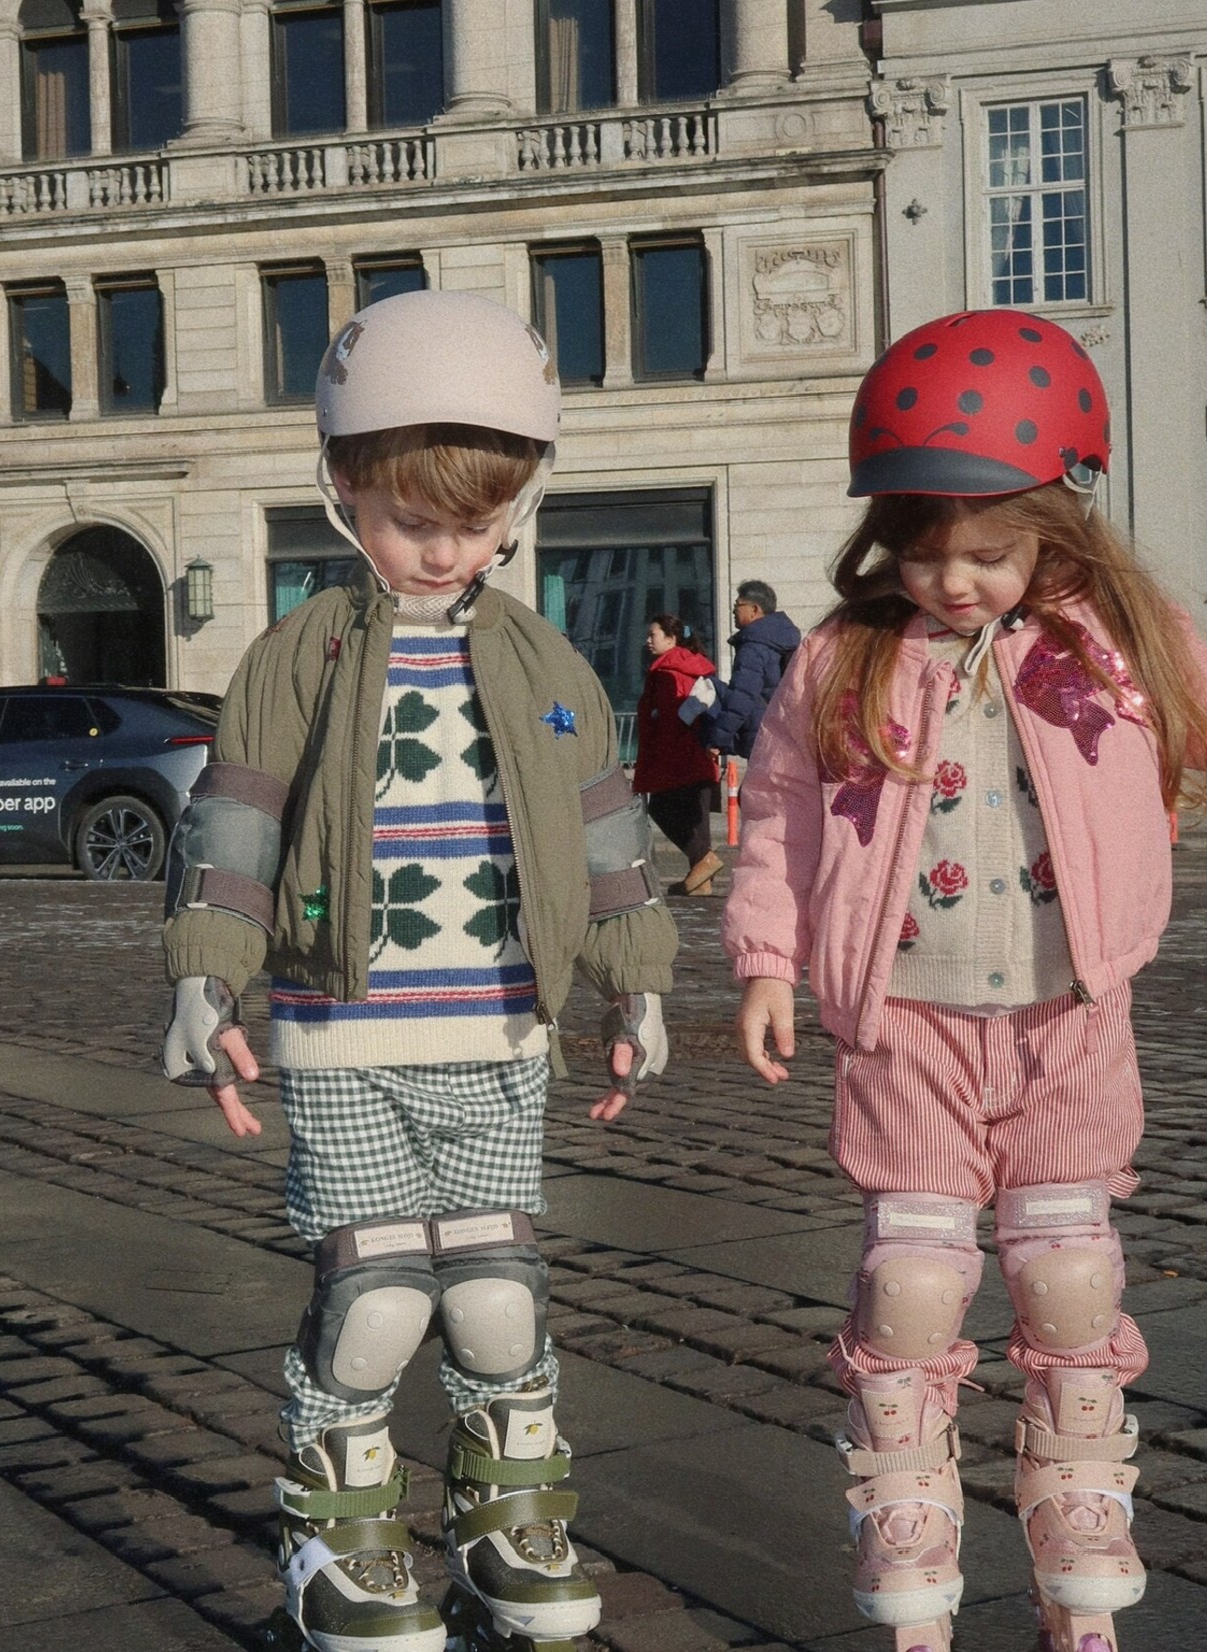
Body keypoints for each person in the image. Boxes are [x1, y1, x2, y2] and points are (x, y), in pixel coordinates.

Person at [721, 308, 1207, 1652]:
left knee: (1070, 1277)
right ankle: (905, 1517)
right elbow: (781, 813)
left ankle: (1079, 1497)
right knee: (911, 1287)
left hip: (1073, 1016)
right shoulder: (844, 655)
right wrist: (766, 960)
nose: (952, 580)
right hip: (907, 1026)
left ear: (1055, 530)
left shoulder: (1109, 640)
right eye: (923, 550)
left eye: (989, 552)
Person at [159, 290, 677, 1652]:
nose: (446, 546)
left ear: (519, 502)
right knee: (379, 1295)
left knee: (499, 1295)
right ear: (344, 491)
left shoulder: (547, 660)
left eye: (476, 517)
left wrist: (638, 979)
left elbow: (608, 832)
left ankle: (511, 1525)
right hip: (346, 1031)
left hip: (504, 1032)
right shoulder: (301, 656)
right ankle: (339, 1538)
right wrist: (207, 978)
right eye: (412, 518)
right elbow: (235, 823)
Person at [633, 613, 723, 894]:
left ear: (671, 639)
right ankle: (701, 882)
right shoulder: (691, 667)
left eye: (653, 635)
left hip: (677, 758)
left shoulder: (668, 672)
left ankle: (704, 863)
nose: (648, 641)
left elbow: (670, 718)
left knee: (662, 808)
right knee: (697, 821)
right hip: (698, 757)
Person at [701, 578, 801, 761]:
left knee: (757, 790)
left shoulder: (753, 646)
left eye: (738, 605)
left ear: (755, 609)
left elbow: (741, 697)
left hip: (762, 736)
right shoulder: (784, 640)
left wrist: (717, 740)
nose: (733, 610)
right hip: (786, 732)